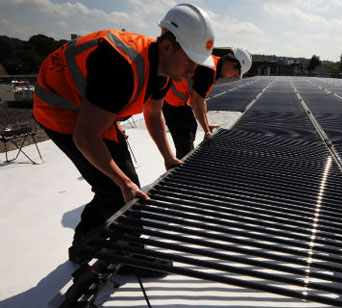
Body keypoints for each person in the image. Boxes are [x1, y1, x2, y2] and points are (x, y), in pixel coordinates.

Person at [32, 3, 215, 269]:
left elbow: (153, 113)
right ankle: (129, 256)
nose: (193, 70)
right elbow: (85, 135)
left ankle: (83, 245)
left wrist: (168, 157)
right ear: (167, 46)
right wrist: (123, 181)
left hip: (94, 110)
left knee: (117, 183)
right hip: (61, 109)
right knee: (118, 185)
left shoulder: (161, 69)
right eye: (190, 60)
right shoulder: (122, 66)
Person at [163, 47, 252, 159]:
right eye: (236, 74)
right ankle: (178, 168)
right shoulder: (209, 70)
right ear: (234, 64)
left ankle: (183, 162)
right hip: (171, 102)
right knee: (185, 141)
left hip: (178, 101)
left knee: (192, 127)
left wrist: (207, 125)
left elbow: (201, 100)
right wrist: (206, 130)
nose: (233, 77)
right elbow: (196, 102)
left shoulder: (213, 66)